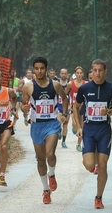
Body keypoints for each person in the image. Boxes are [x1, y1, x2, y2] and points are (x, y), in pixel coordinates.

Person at [73, 59, 112, 209]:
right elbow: (76, 107)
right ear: (92, 71)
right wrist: (78, 126)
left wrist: (108, 111)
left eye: (100, 70)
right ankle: (92, 155)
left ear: (105, 71)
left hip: (104, 130)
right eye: (95, 70)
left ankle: (98, 197)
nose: (97, 73)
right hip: (88, 130)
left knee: (102, 165)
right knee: (89, 165)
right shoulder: (85, 88)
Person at [21, 57, 69, 204]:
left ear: (46, 69)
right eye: (36, 68)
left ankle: (52, 174)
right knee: (41, 160)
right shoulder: (28, 87)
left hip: (52, 124)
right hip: (37, 126)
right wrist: (24, 110)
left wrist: (65, 114)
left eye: (42, 68)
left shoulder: (55, 85)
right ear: (33, 69)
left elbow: (65, 99)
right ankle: (45, 190)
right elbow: (24, 105)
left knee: (50, 153)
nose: (39, 71)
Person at [65, 66, 86, 152]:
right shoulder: (70, 84)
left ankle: (78, 144)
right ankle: (74, 126)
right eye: (77, 73)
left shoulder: (86, 84)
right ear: (75, 74)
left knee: (81, 126)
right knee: (75, 123)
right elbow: (64, 95)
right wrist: (68, 105)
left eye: (81, 73)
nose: (79, 74)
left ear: (83, 74)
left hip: (82, 107)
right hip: (74, 107)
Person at [57, 68, 70, 148]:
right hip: (58, 106)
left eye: (65, 73)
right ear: (60, 74)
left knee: (65, 124)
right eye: (62, 73)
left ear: (67, 75)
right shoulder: (56, 84)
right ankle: (59, 130)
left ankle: (64, 141)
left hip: (67, 107)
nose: (64, 75)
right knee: (58, 122)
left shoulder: (69, 85)